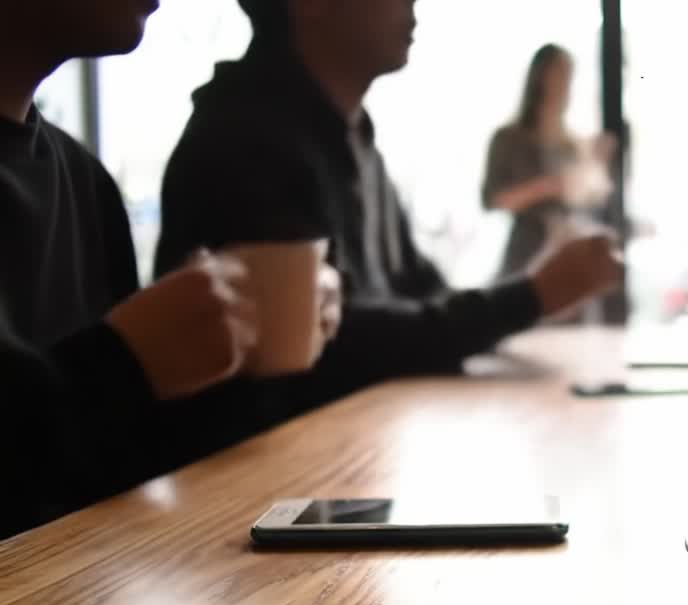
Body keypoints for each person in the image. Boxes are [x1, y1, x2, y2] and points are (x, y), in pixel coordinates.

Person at [156, 0, 622, 406]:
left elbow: (421, 293)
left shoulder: (352, 135)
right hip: (260, 487)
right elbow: (340, 344)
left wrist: (535, 294)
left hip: (340, 457)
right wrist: (533, 294)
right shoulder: (244, 138)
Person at [0, 1, 338, 538]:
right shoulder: (243, 130)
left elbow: (112, 463)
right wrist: (127, 361)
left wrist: (224, 353)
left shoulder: (83, 180)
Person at [483, 44, 615, 279]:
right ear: (539, 78)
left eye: (567, 76)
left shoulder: (573, 144)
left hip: (568, 248)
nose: (563, 84)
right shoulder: (509, 138)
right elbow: (493, 200)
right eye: (557, 75)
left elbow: (589, 198)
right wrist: (548, 186)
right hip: (526, 253)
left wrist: (596, 167)